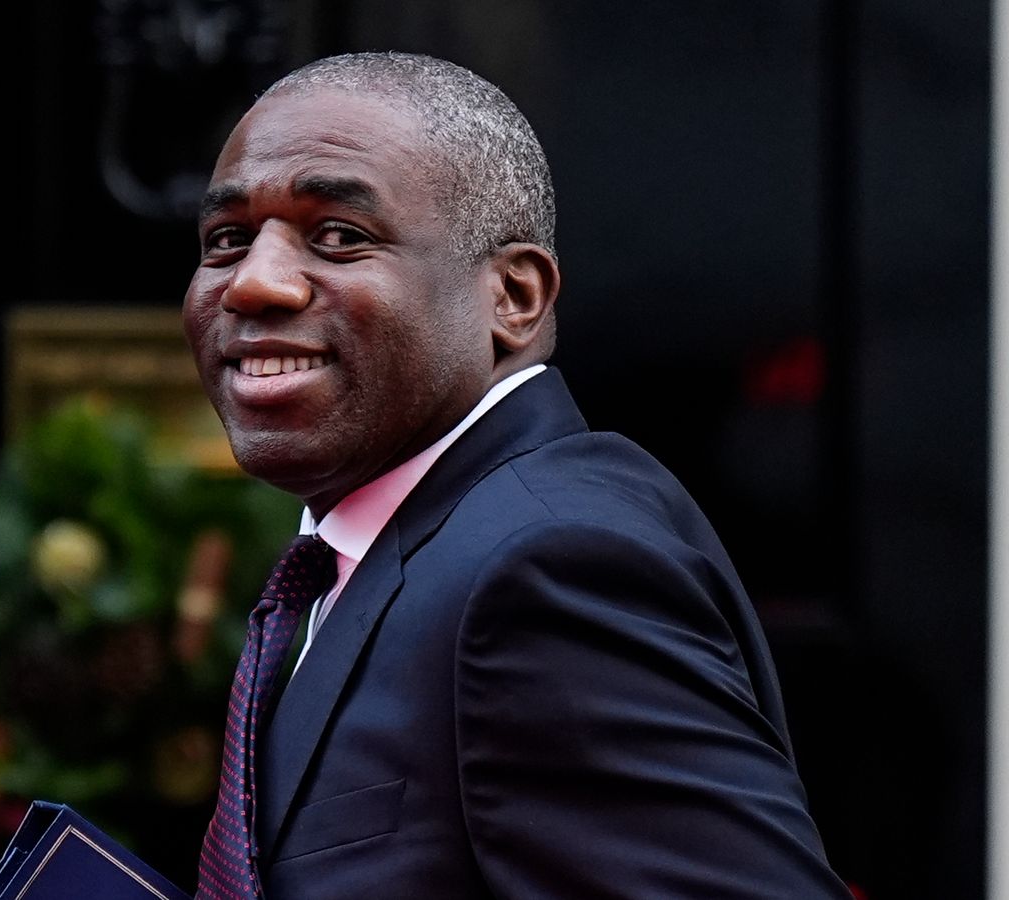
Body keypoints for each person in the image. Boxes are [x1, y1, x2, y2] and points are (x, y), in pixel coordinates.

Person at [182, 51, 850, 899]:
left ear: (514, 297)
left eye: (339, 236)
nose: (254, 283)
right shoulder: (376, 554)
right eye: (228, 240)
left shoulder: (551, 565)